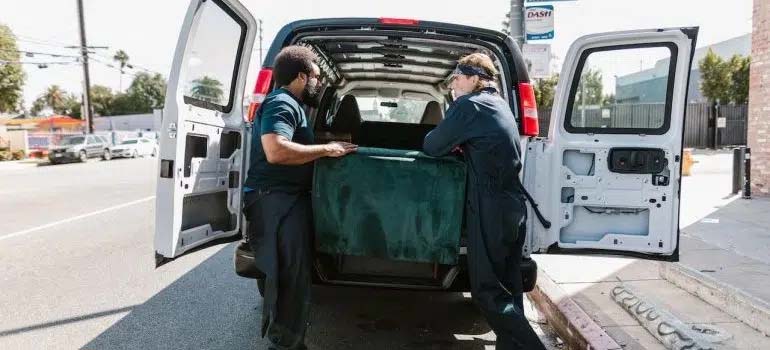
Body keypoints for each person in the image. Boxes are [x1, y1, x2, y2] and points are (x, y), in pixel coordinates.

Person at [423, 53, 546, 350]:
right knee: (509, 289)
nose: (453, 82)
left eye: (458, 76)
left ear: (476, 78)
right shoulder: (500, 104)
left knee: (488, 292)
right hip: (513, 208)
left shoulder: (470, 105)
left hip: (490, 208)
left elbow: (432, 145)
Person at [242, 45, 357, 350]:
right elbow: (276, 150)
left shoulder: (291, 104)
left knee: (293, 277)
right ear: (302, 76)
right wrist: (326, 149)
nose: (319, 83)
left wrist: (328, 142)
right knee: (287, 278)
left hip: (284, 200)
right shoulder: (282, 103)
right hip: (274, 201)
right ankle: (285, 344)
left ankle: (289, 341)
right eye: (318, 77)